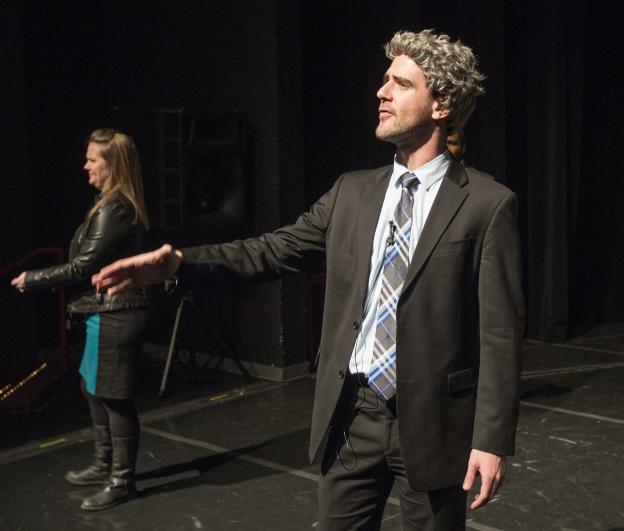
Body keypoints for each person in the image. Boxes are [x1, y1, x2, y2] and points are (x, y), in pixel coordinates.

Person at [93, 29, 524, 530]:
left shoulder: (487, 204)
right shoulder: (352, 192)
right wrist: (180, 263)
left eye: (400, 84)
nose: (381, 92)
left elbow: (499, 334)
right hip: (353, 414)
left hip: (433, 423)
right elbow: (271, 250)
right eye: (384, 80)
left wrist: (491, 439)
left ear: (442, 103)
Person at [11, 129, 150, 511]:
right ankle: (106, 465)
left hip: (116, 312)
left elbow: (83, 266)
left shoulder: (116, 208)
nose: (85, 166)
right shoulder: (108, 204)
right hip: (101, 312)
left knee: (114, 397)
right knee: (93, 387)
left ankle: (123, 481)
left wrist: (33, 279)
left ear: (113, 165)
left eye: (93, 160)